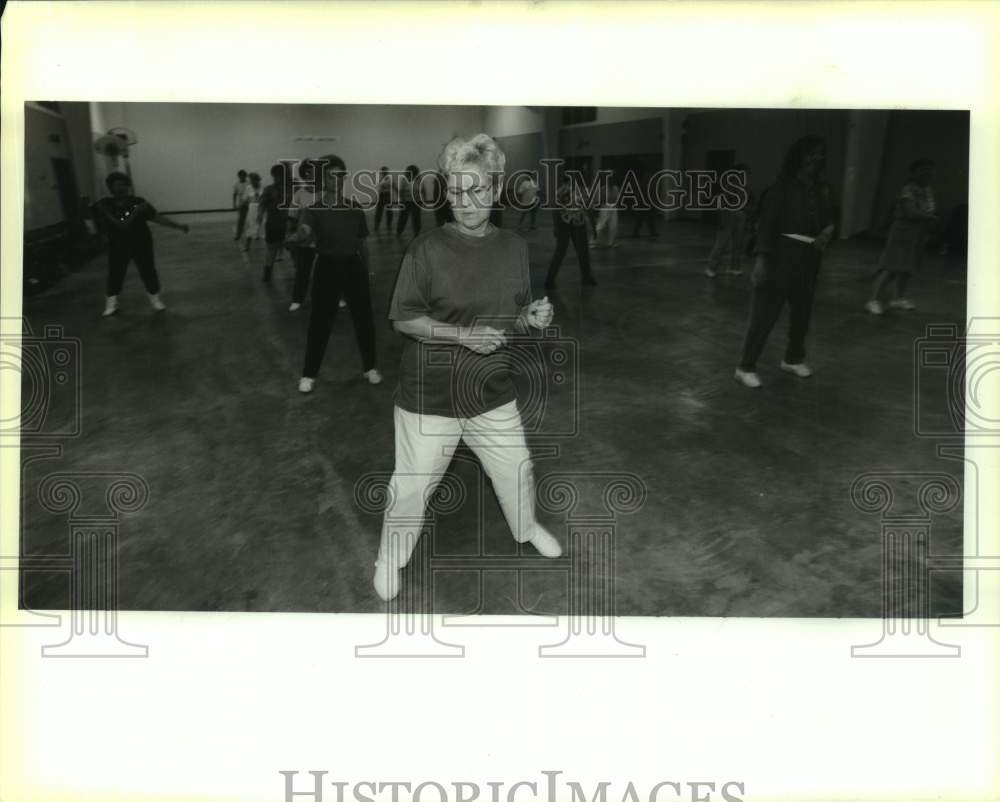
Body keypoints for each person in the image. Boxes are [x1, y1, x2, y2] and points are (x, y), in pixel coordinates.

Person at [373, 133, 561, 602]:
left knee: (517, 469)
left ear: (496, 190)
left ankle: (526, 528)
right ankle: (389, 559)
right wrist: (462, 336)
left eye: (477, 190)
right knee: (413, 487)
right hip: (430, 394)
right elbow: (404, 319)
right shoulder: (427, 249)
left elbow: (508, 317)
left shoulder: (514, 247)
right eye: (456, 191)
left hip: (491, 390)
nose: (466, 202)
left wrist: (529, 317)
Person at [734, 136, 835, 388]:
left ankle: (793, 358)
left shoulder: (823, 189)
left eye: (820, 153)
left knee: (802, 313)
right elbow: (766, 226)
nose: (816, 158)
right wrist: (761, 261)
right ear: (798, 156)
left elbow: (833, 217)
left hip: (810, 258)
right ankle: (745, 366)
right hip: (781, 256)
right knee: (764, 315)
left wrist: (827, 232)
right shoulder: (781, 188)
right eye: (810, 153)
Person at [286, 154, 382, 393]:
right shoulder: (314, 209)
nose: (337, 180)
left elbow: (362, 245)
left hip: (353, 267)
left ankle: (370, 367)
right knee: (320, 322)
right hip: (327, 268)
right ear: (323, 179)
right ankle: (308, 374)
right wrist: (296, 237)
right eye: (332, 176)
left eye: (341, 176)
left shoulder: (354, 208)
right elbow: (305, 230)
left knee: (364, 320)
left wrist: (369, 271)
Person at [91, 171, 189, 317]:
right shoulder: (105, 204)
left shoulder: (139, 203)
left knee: (148, 271)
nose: (120, 188)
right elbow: (91, 219)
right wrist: (97, 236)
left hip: (141, 243)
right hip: (117, 246)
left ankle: (155, 300)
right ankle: (111, 304)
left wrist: (178, 226)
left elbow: (157, 218)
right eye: (116, 185)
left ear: (127, 186)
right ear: (111, 188)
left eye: (123, 184)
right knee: (116, 274)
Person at [866, 159, 939, 315]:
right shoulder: (908, 189)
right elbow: (910, 212)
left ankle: (897, 298)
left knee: (907, 268)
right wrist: (930, 218)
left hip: (918, 235)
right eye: (923, 169)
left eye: (930, 170)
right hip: (902, 234)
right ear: (914, 173)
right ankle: (873, 300)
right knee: (891, 267)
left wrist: (929, 220)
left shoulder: (927, 190)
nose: (927, 173)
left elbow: (930, 210)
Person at [544, 172, 597, 289]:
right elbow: (590, 210)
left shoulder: (560, 192)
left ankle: (550, 279)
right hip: (577, 224)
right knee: (582, 252)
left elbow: (555, 211)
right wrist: (594, 228)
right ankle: (586, 277)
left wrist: (556, 227)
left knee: (560, 252)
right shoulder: (581, 192)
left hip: (566, 223)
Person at [705, 163, 754, 278]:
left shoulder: (746, 188)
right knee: (721, 244)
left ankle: (734, 267)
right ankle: (710, 268)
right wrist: (721, 221)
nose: (745, 175)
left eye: (746, 173)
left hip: (740, 216)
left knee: (738, 244)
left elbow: (750, 202)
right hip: (728, 216)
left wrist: (747, 213)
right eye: (743, 173)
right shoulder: (728, 186)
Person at [286, 159, 318, 312]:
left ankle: (336, 296)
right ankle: (297, 299)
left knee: (329, 271)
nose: (311, 174)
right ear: (304, 175)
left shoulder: (325, 193)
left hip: (324, 241)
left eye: (314, 171)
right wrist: (291, 239)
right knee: (302, 271)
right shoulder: (299, 194)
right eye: (308, 172)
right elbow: (292, 218)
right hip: (305, 241)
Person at [258, 164, 291, 282]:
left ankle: (300, 272)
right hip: (273, 225)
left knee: (294, 250)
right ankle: (267, 273)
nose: (277, 178)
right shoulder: (269, 189)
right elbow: (262, 203)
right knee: (271, 249)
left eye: (280, 175)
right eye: (275, 175)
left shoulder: (292, 189)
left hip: (289, 226)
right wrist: (260, 214)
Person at [238, 172, 263, 255]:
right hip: (252, 208)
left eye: (253, 180)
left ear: (257, 180)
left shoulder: (262, 187)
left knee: (262, 226)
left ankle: (270, 246)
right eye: (251, 180)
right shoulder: (249, 188)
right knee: (250, 226)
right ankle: (247, 246)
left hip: (261, 208)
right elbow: (244, 199)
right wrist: (242, 203)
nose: (252, 182)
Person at [395, 164, 423, 238]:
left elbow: (423, 191)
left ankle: (417, 233)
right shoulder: (404, 180)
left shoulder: (419, 180)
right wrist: (402, 200)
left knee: (416, 218)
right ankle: (399, 232)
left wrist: (423, 200)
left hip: (416, 202)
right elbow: (401, 191)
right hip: (407, 202)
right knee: (403, 218)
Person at [594, 174, 621, 247]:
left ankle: (611, 242)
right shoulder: (603, 188)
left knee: (613, 225)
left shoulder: (615, 188)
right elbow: (598, 199)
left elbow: (617, 198)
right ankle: (594, 241)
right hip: (605, 207)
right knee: (601, 224)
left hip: (613, 207)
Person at [373, 165, 395, 234]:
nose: (385, 172)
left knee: (388, 212)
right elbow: (380, 187)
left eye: (386, 171)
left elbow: (391, 186)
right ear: (382, 172)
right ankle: (377, 226)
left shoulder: (388, 178)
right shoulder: (381, 178)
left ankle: (388, 225)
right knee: (379, 212)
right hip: (383, 195)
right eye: (384, 171)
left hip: (386, 195)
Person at [232, 169, 248, 240]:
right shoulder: (236, 184)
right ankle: (238, 234)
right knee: (241, 220)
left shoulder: (249, 183)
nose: (242, 177)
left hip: (250, 204)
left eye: (244, 176)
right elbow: (235, 194)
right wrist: (234, 204)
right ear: (239, 176)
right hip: (241, 205)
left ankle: (255, 234)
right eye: (241, 176)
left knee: (252, 219)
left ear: (245, 176)